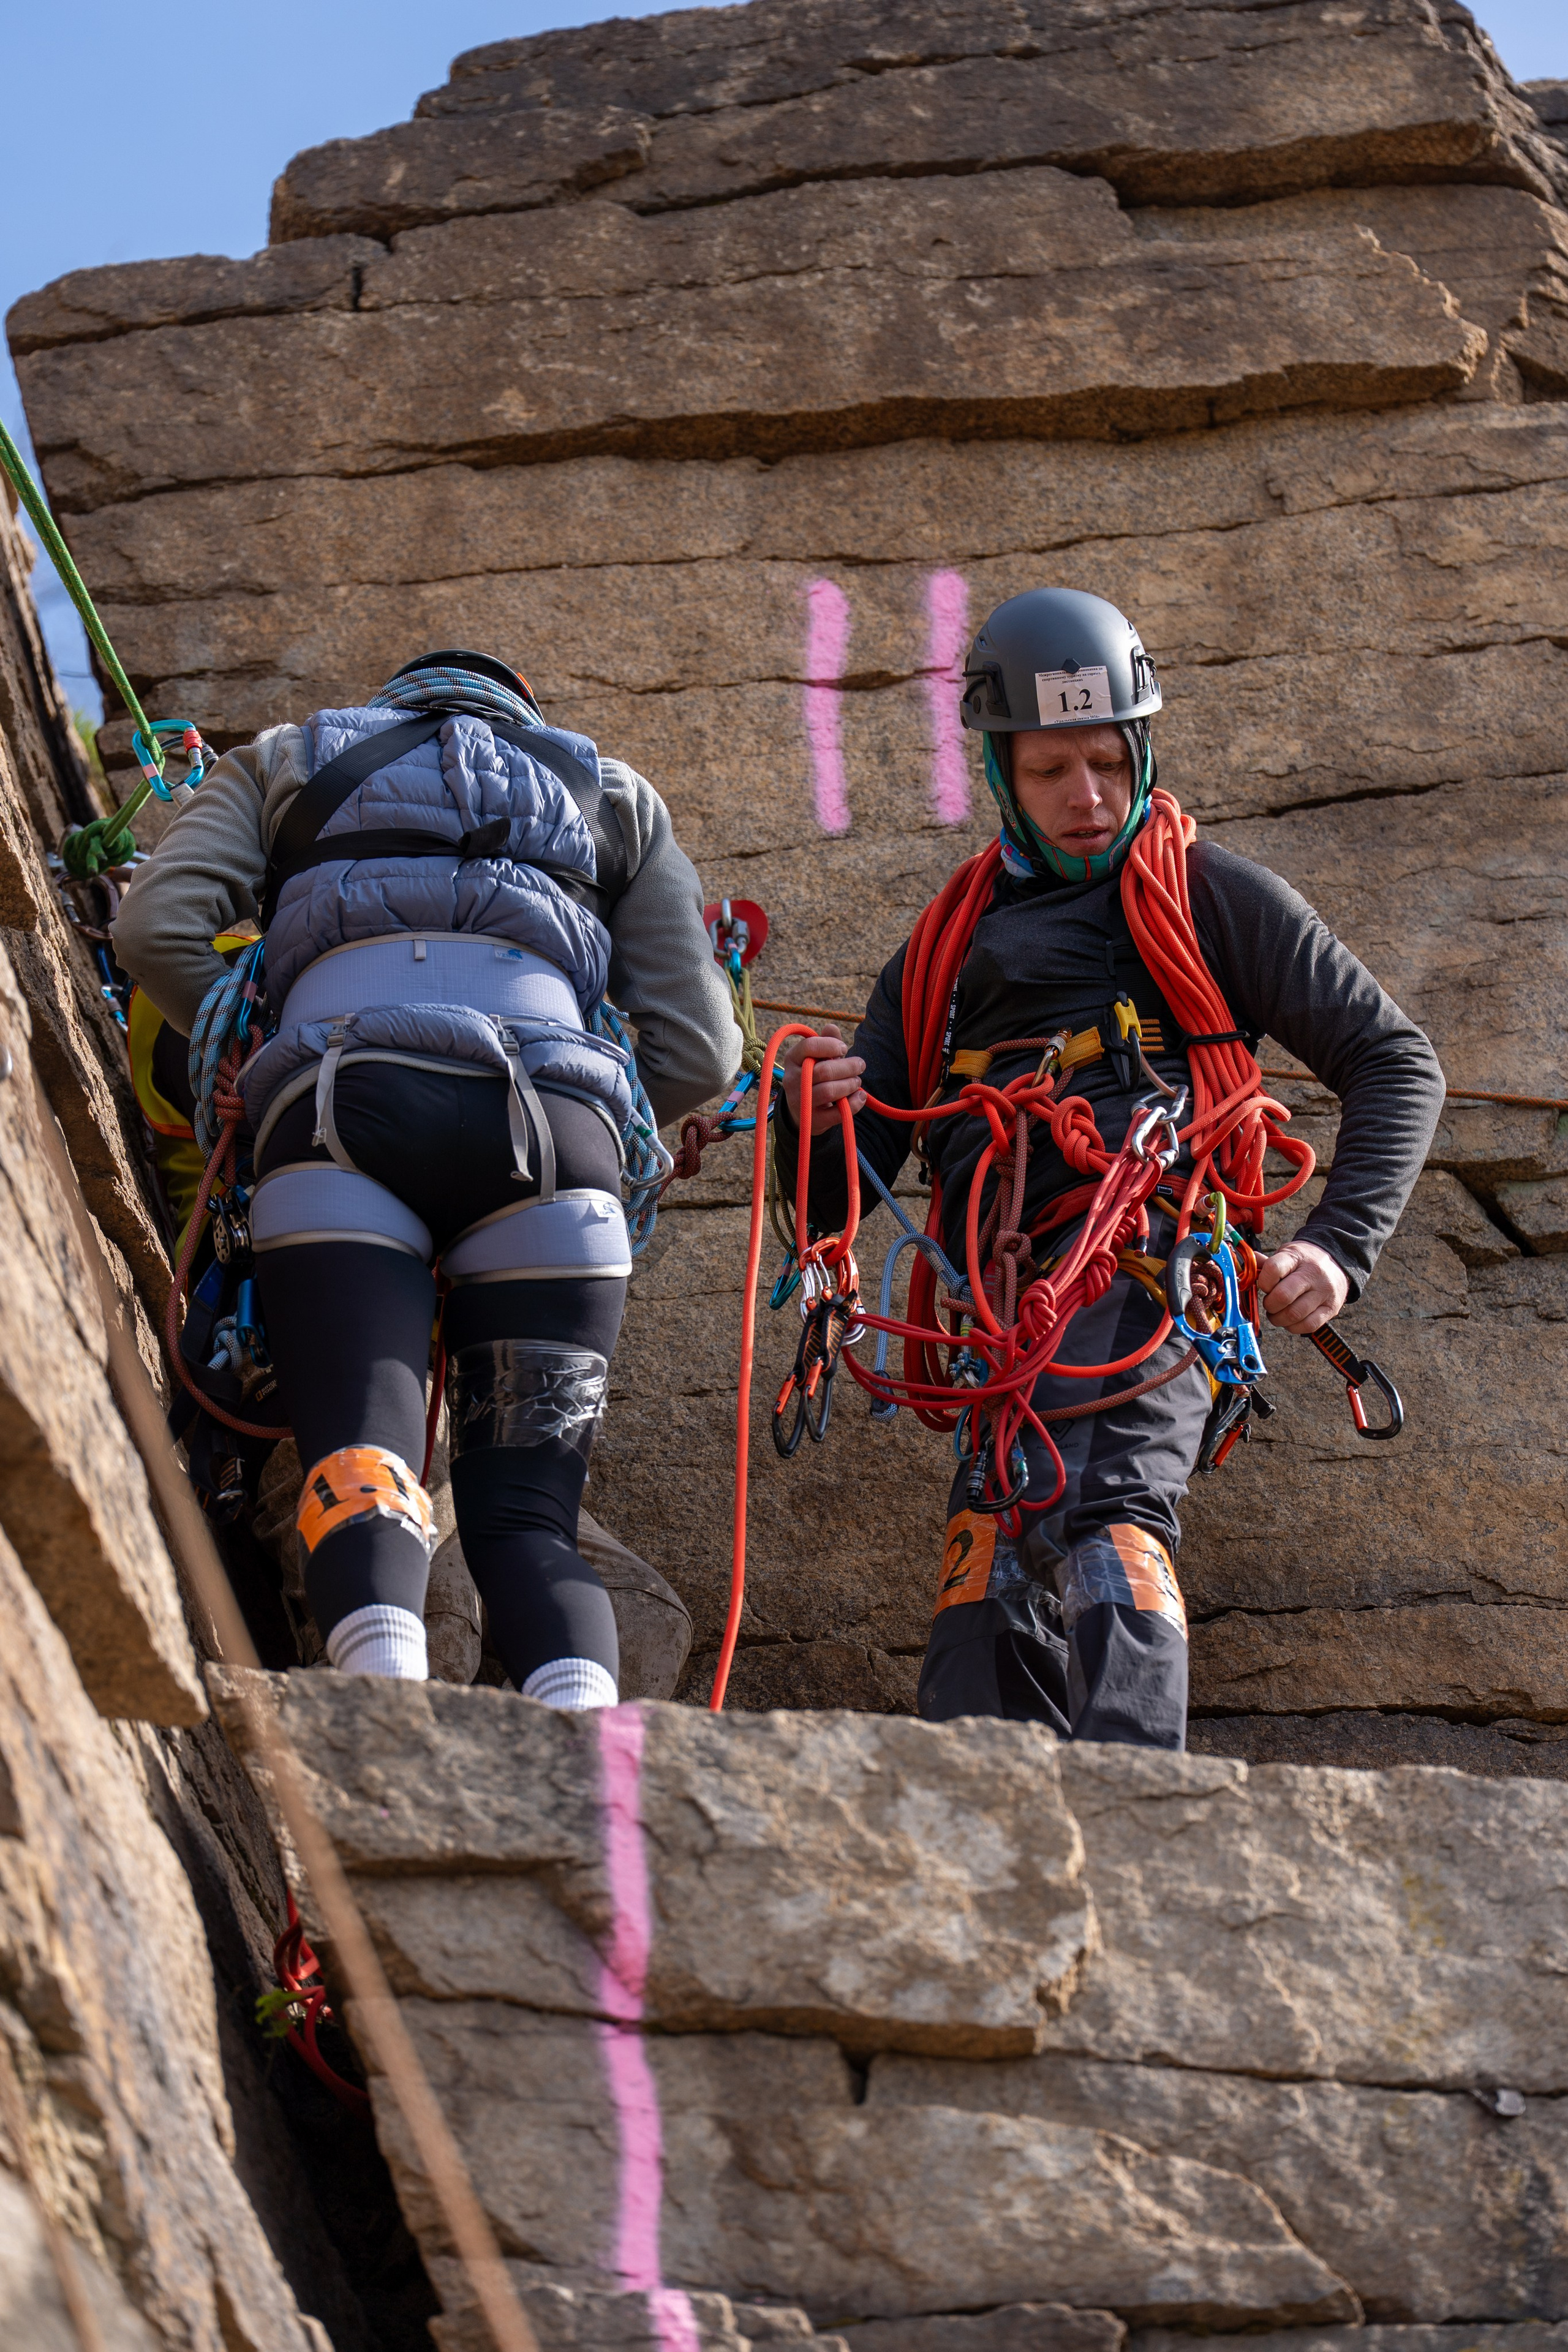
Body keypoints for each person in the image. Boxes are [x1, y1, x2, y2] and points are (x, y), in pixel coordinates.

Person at [779, 589, 1444, 1749]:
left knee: (1104, 1516)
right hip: (1003, 1306)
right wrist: (815, 1124)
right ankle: (996, 1841)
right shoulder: (946, 946)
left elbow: (1394, 1059)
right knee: (983, 1568)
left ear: (1141, 749)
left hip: (1147, 1262)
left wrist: (1337, 1252)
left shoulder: (1207, 895)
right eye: (1049, 771)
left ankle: (1136, 1804)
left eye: (1106, 761)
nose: (1087, 798)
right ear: (1002, 775)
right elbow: (843, 1197)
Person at [115, 649, 739, 1706]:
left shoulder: (286, 757)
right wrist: (617, 1113)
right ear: (523, 712)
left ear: (389, 703)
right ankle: (581, 1758)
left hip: (341, 1105)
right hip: (555, 1139)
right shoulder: (615, 792)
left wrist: (244, 1054)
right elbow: (704, 1051)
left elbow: (152, 925)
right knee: (530, 1520)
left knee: (363, 1464)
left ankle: (387, 1725)